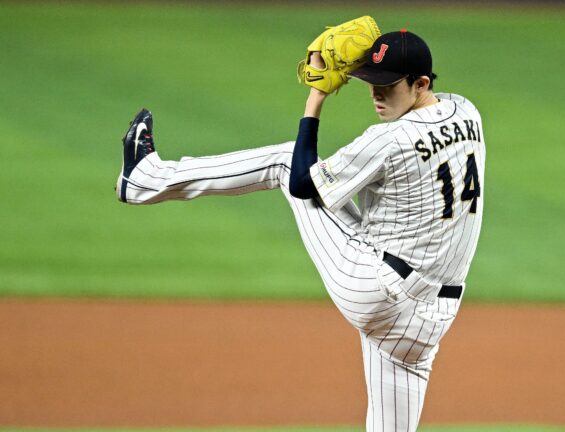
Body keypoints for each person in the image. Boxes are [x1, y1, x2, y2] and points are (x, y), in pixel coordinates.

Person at [116, 28, 484, 432]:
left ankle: (145, 179)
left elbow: (303, 184)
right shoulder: (468, 113)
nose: (376, 94)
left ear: (421, 84)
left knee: (286, 162)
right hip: (431, 318)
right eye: (371, 83)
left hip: (376, 291)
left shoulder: (390, 140)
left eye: (387, 85)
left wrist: (316, 97)